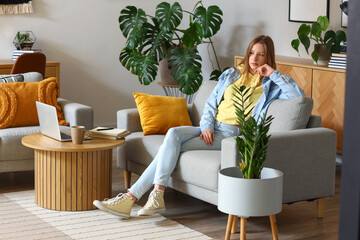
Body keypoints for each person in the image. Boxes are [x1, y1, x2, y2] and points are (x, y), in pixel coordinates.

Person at [93, 35, 305, 219]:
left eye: (261, 55)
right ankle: (153, 196)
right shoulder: (232, 75)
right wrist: (206, 126)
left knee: (170, 148)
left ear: (268, 58)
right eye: (252, 52)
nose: (254, 59)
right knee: (173, 134)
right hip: (212, 129)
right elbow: (212, 103)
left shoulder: (271, 86)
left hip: (231, 136)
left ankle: (133, 197)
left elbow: (298, 97)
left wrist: (272, 74)